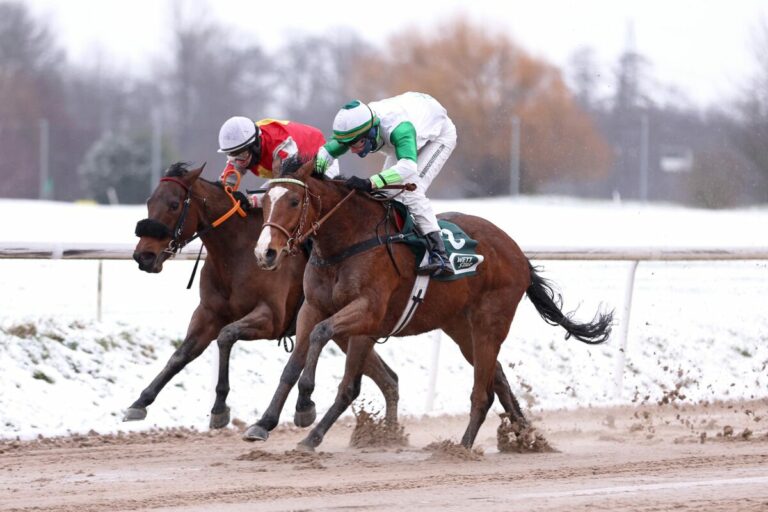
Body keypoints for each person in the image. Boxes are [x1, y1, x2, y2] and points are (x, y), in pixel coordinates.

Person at [315, 92, 456, 276]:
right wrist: (317, 174)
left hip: (438, 135)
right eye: (347, 145)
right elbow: (325, 152)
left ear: (369, 133)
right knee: (385, 193)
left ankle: (440, 255)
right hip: (413, 119)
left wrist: (370, 182)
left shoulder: (398, 128)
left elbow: (408, 166)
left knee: (411, 191)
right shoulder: (356, 131)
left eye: (354, 144)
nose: (350, 150)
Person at [217, 116, 340, 206]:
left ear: (255, 145)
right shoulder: (242, 149)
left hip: (320, 158)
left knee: (317, 201)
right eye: (232, 154)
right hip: (291, 170)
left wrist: (251, 200)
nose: (238, 161)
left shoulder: (280, 145)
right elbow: (226, 184)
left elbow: (286, 187)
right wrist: (224, 196)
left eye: (242, 154)